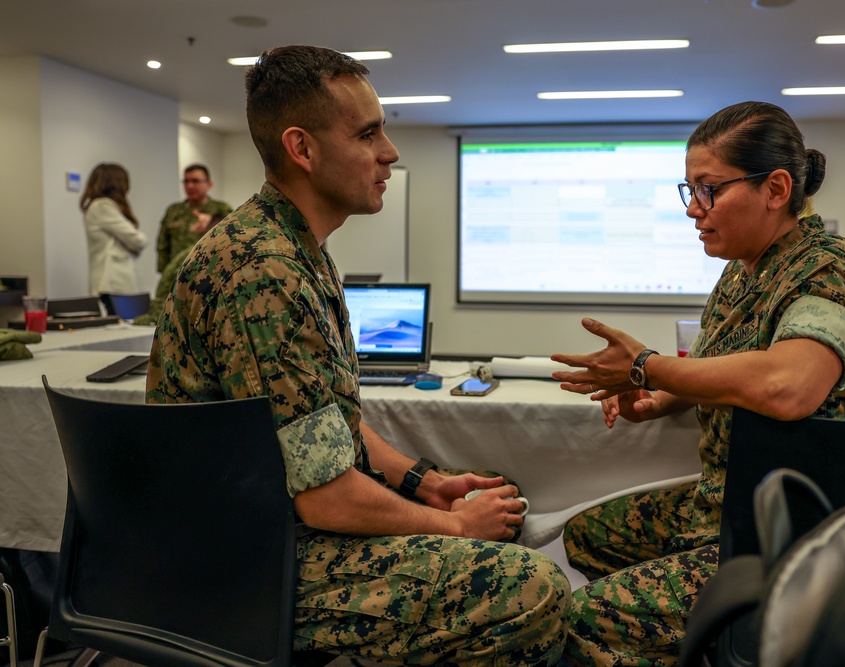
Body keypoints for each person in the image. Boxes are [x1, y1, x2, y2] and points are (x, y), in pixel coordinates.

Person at [146, 45, 569, 665]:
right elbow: (325, 498)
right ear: (303, 149)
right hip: (240, 561)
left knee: (494, 517)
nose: (390, 153)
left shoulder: (291, 248)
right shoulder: (265, 271)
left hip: (257, 526)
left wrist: (423, 481)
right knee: (527, 589)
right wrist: (454, 525)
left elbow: (317, 424)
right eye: (368, 133)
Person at [550, 101, 845, 666]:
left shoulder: (830, 271)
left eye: (709, 190)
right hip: (726, 503)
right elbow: (719, 369)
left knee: (581, 620)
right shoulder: (742, 269)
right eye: (689, 192)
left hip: (793, 528)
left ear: (776, 189)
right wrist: (656, 399)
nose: (695, 211)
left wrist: (646, 366)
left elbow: (790, 385)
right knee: (586, 534)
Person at [80, 163, 148, 296]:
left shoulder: (99, 207)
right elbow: (138, 240)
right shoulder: (102, 206)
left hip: (112, 286)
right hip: (112, 287)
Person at [155, 163, 233, 273]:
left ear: (209, 184)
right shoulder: (173, 211)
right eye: (186, 181)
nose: (190, 186)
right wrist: (165, 273)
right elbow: (163, 245)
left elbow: (232, 240)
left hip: (210, 272)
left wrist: (212, 223)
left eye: (195, 181)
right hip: (178, 272)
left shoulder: (221, 209)